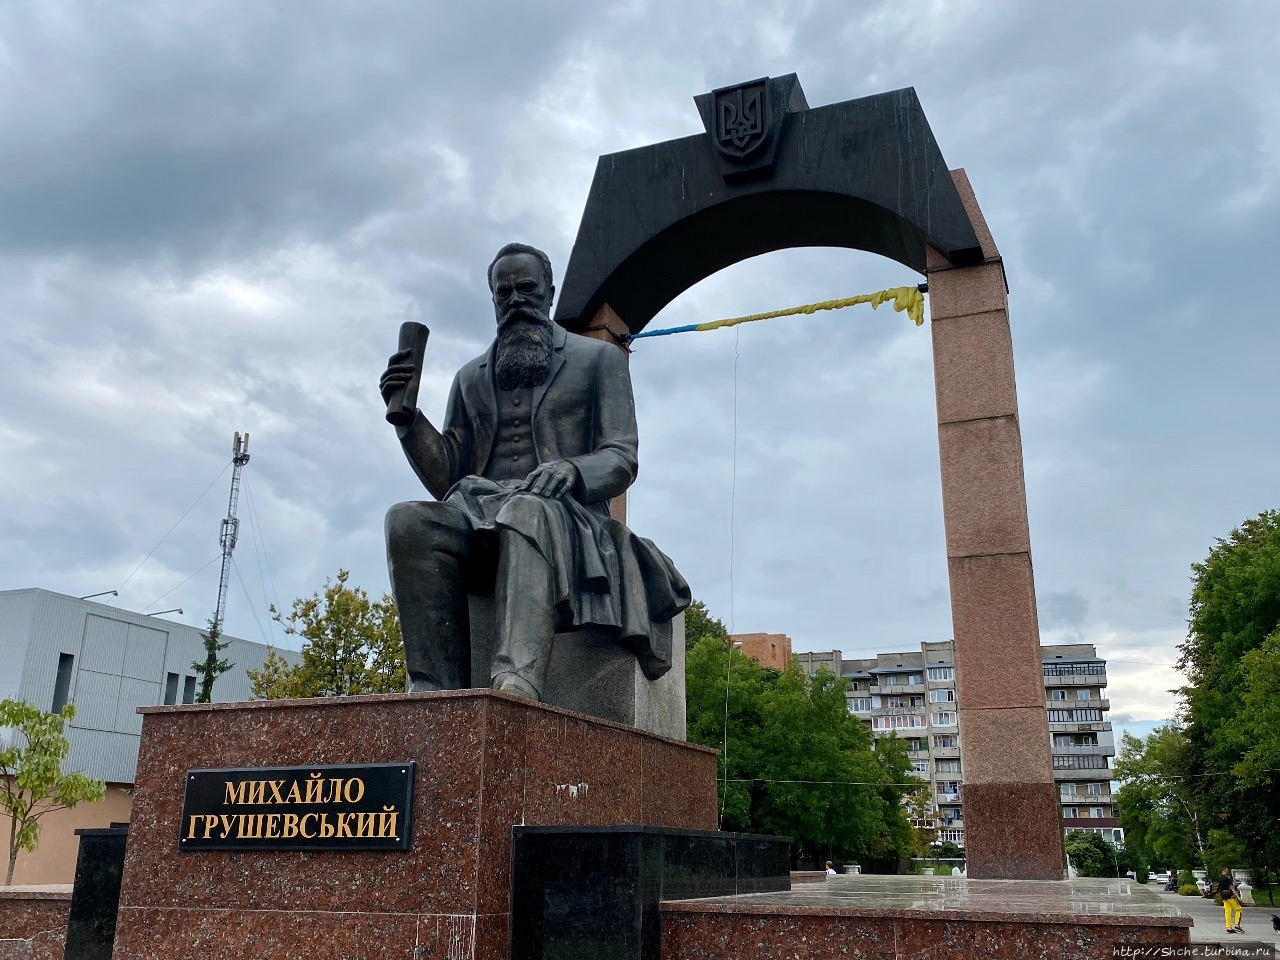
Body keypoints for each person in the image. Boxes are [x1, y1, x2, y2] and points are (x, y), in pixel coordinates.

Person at [380, 243, 689, 701]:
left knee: (527, 509)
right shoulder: (469, 378)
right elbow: (448, 474)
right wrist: (407, 420)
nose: (515, 300)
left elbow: (622, 456)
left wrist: (572, 470)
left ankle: (516, 680)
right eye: (503, 293)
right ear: (492, 302)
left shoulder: (597, 360)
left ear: (549, 293)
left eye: (526, 288)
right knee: (406, 519)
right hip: (479, 510)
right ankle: (433, 690)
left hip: (568, 521)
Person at [1218, 866, 1244, 934]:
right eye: (1227, 869)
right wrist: (1238, 897)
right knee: (1239, 909)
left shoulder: (1220, 878)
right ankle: (1237, 925)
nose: (1228, 870)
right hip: (1230, 896)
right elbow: (1232, 888)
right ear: (1224, 870)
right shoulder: (1227, 878)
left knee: (1227, 912)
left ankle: (1229, 927)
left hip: (1224, 896)